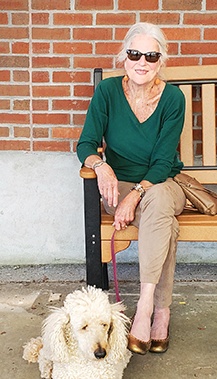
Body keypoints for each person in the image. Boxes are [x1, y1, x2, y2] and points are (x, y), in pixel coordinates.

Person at [76, 22, 186, 355]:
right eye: (134, 53)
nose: (142, 62)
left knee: (159, 198)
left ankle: (145, 307)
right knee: (166, 223)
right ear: (124, 57)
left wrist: (136, 193)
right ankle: (161, 312)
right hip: (117, 190)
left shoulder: (173, 99)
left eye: (151, 56)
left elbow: (163, 162)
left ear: (161, 61)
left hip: (163, 182)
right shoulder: (107, 92)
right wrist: (101, 165)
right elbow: (86, 143)